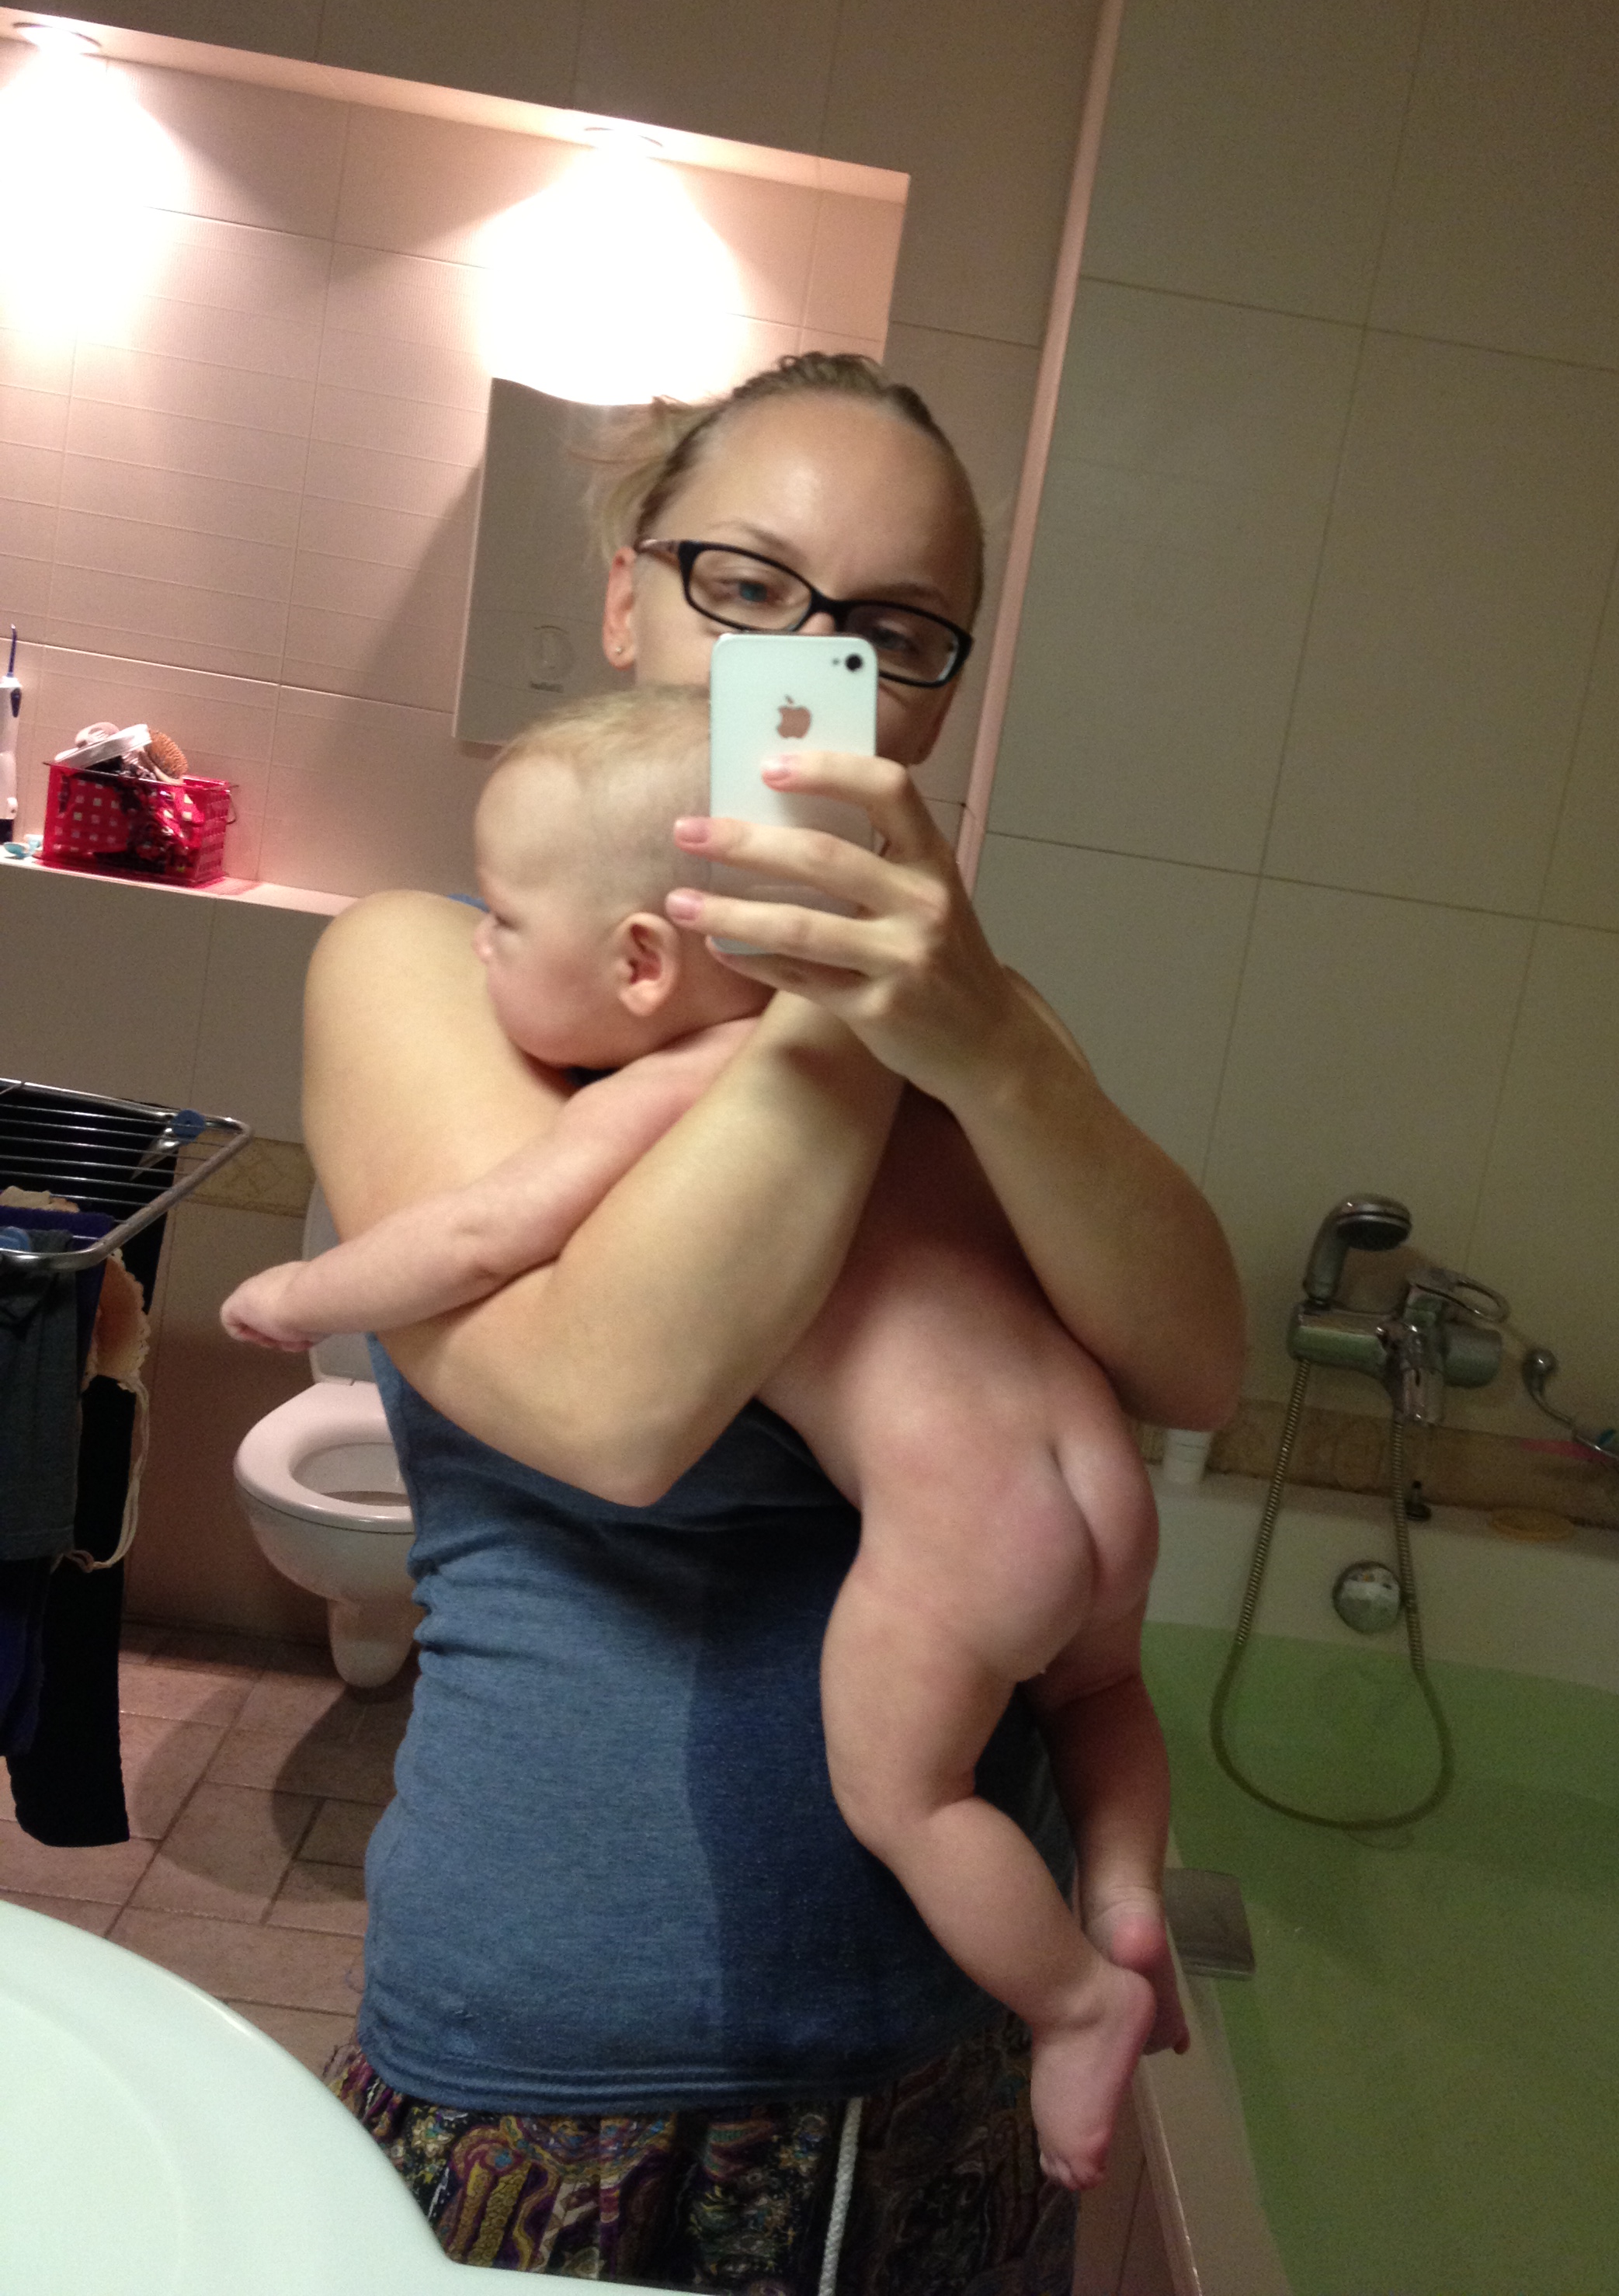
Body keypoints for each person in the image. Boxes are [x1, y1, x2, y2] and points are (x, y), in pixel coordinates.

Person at [297, 353, 1244, 2288]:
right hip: (566, 2061)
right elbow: (613, 1404)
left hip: (955, 2066)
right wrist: (829, 1010)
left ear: (938, 694)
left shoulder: (972, 1013)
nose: (808, 665)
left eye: (891, 633)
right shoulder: (445, 966)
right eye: (746, 589)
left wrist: (993, 1046)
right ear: (627, 596)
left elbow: (1198, 1366)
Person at [224, 686, 1187, 2192]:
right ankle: (1124, 1904)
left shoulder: (680, 1084)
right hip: (1100, 1481)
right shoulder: (913, 1070)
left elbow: (477, 1235)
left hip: (966, 1527)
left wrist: (296, 1295)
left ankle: (1076, 2000)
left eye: (506, 924)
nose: (480, 946)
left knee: (911, 1796)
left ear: (639, 962)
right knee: (1105, 1690)